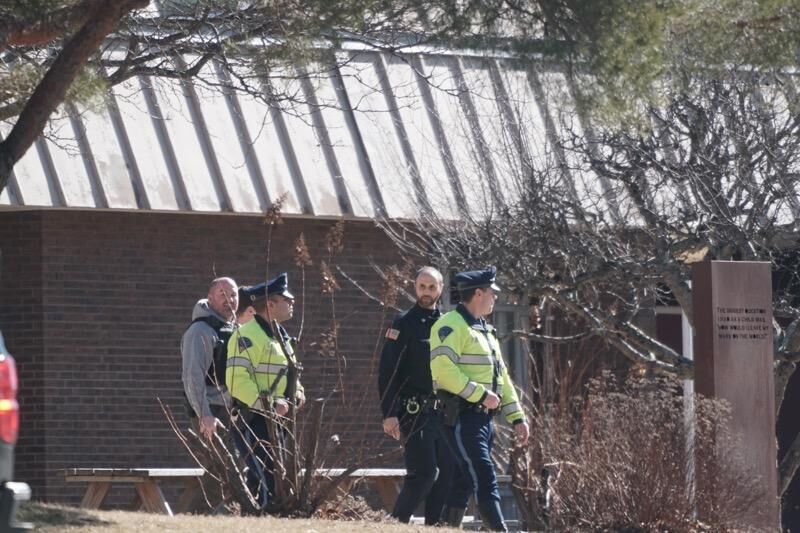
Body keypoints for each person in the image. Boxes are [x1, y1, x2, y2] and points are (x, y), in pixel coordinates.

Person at [429, 266, 530, 532]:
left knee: (464, 478)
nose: (495, 298)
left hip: (483, 420)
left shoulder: (485, 331)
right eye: (491, 293)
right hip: (461, 417)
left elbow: (502, 377)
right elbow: (443, 371)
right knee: (484, 476)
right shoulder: (450, 325)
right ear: (477, 293)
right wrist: (481, 395)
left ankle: (447, 528)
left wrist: (516, 416)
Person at [378, 266, 457, 525]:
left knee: (446, 473)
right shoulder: (403, 323)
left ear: (441, 289)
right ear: (415, 287)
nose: (426, 292)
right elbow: (388, 372)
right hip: (415, 412)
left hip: (445, 413)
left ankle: (435, 526)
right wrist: (390, 414)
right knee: (423, 473)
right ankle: (397, 524)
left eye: (432, 287)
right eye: (422, 287)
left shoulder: (448, 325)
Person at [225, 273, 305, 505]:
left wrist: (298, 393)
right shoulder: (246, 335)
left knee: (262, 479)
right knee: (269, 478)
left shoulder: (282, 337)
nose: (292, 303)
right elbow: (236, 381)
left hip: (279, 419)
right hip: (255, 418)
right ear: (269, 304)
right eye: (286, 299)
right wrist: (269, 404)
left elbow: (291, 374)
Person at [181, 277, 239, 441]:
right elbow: (193, 376)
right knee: (221, 466)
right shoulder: (200, 330)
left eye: (234, 295)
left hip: (234, 410)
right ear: (210, 298)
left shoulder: (235, 330)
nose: (230, 299)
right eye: (223, 294)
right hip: (212, 412)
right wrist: (204, 414)